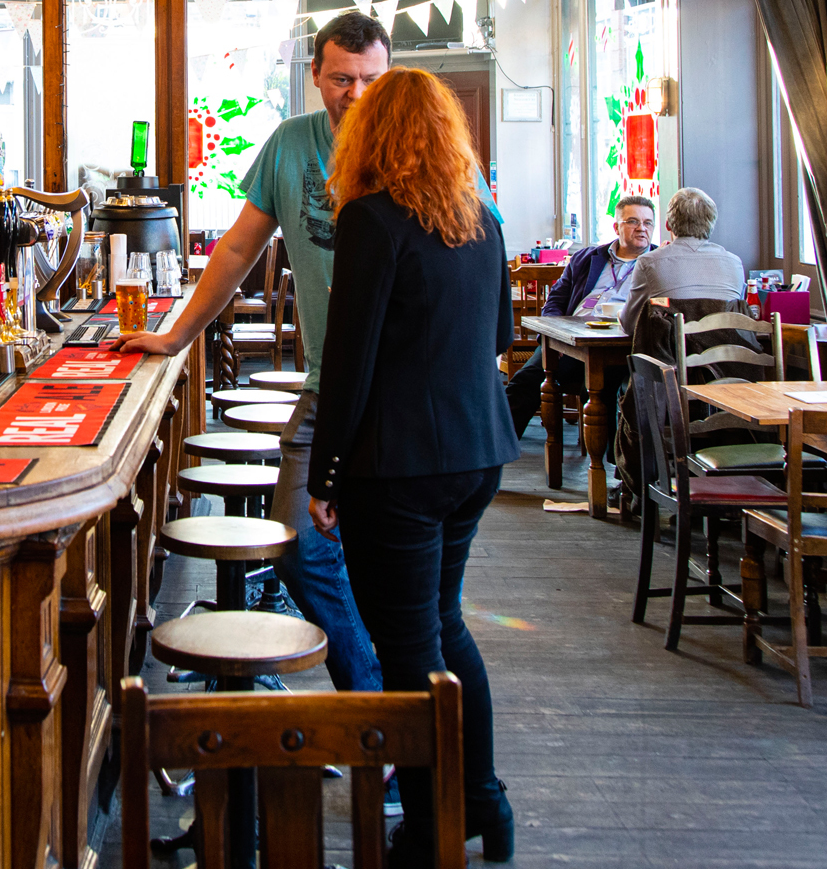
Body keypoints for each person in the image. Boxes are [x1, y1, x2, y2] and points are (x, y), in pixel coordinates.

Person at [116, 10, 396, 694]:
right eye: (339, 79)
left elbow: (476, 242)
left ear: (388, 76)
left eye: (369, 79)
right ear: (314, 76)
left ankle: (392, 729)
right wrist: (177, 335)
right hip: (328, 388)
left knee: (394, 566)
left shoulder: (415, 145)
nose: (354, 94)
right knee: (302, 550)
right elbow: (238, 248)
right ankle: (372, 702)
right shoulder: (291, 145)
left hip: (400, 395)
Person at [306, 67, 518, 866]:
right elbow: (500, 335)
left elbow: (348, 362)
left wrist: (323, 476)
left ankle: (431, 825)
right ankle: (485, 807)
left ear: (373, 136)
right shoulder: (483, 225)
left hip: (396, 467)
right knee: (446, 626)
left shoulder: (371, 220)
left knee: (407, 648)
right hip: (477, 455)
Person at [504, 195, 655, 435]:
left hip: (620, 346)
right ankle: (497, 446)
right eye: (633, 221)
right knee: (526, 381)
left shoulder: (658, 263)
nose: (641, 228)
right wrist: (556, 335)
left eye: (648, 223)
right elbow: (554, 302)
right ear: (616, 227)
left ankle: (612, 464)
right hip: (570, 341)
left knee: (604, 389)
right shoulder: (586, 258)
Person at [618, 186, 745, 335]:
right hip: (729, 355)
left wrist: (620, 314)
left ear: (668, 225)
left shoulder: (649, 262)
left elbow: (631, 326)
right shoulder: (734, 263)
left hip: (673, 356)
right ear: (711, 223)